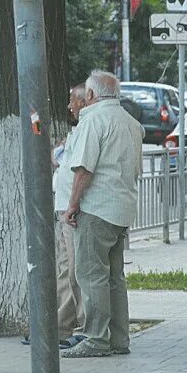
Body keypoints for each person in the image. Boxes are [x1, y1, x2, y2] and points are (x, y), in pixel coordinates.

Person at [61, 70, 144, 358]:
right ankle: (119, 339)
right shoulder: (131, 123)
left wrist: (72, 205)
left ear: (92, 95)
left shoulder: (93, 120)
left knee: (92, 275)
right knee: (114, 277)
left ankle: (96, 339)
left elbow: (84, 168)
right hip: (121, 208)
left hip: (96, 208)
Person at [52, 84, 87, 347]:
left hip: (73, 210)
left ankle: (86, 329)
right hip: (63, 208)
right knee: (65, 269)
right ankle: (62, 325)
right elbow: (61, 160)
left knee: (78, 271)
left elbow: (83, 169)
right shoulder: (76, 130)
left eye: (72, 101)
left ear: (86, 101)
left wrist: (73, 205)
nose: (69, 106)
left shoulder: (89, 127)